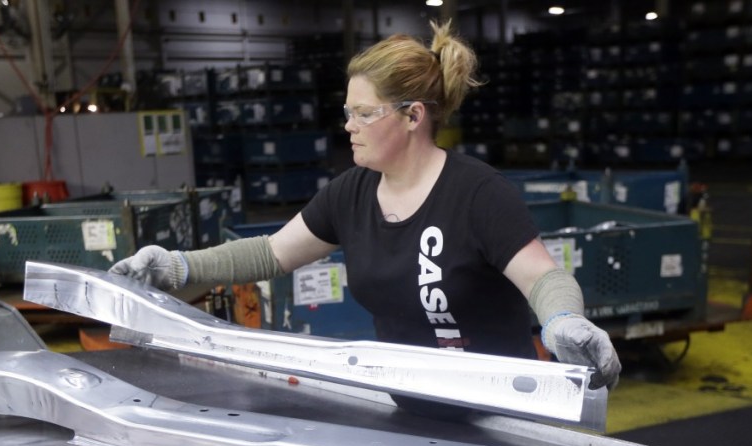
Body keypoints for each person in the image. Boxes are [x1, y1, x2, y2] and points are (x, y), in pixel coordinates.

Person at [111, 19, 621, 413]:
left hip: (502, 409)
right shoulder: (351, 194)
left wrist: (563, 322)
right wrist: (177, 266)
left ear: (413, 115)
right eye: (348, 112)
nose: (349, 126)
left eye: (365, 113)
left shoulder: (477, 193)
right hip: (410, 404)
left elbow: (543, 277)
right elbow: (269, 253)